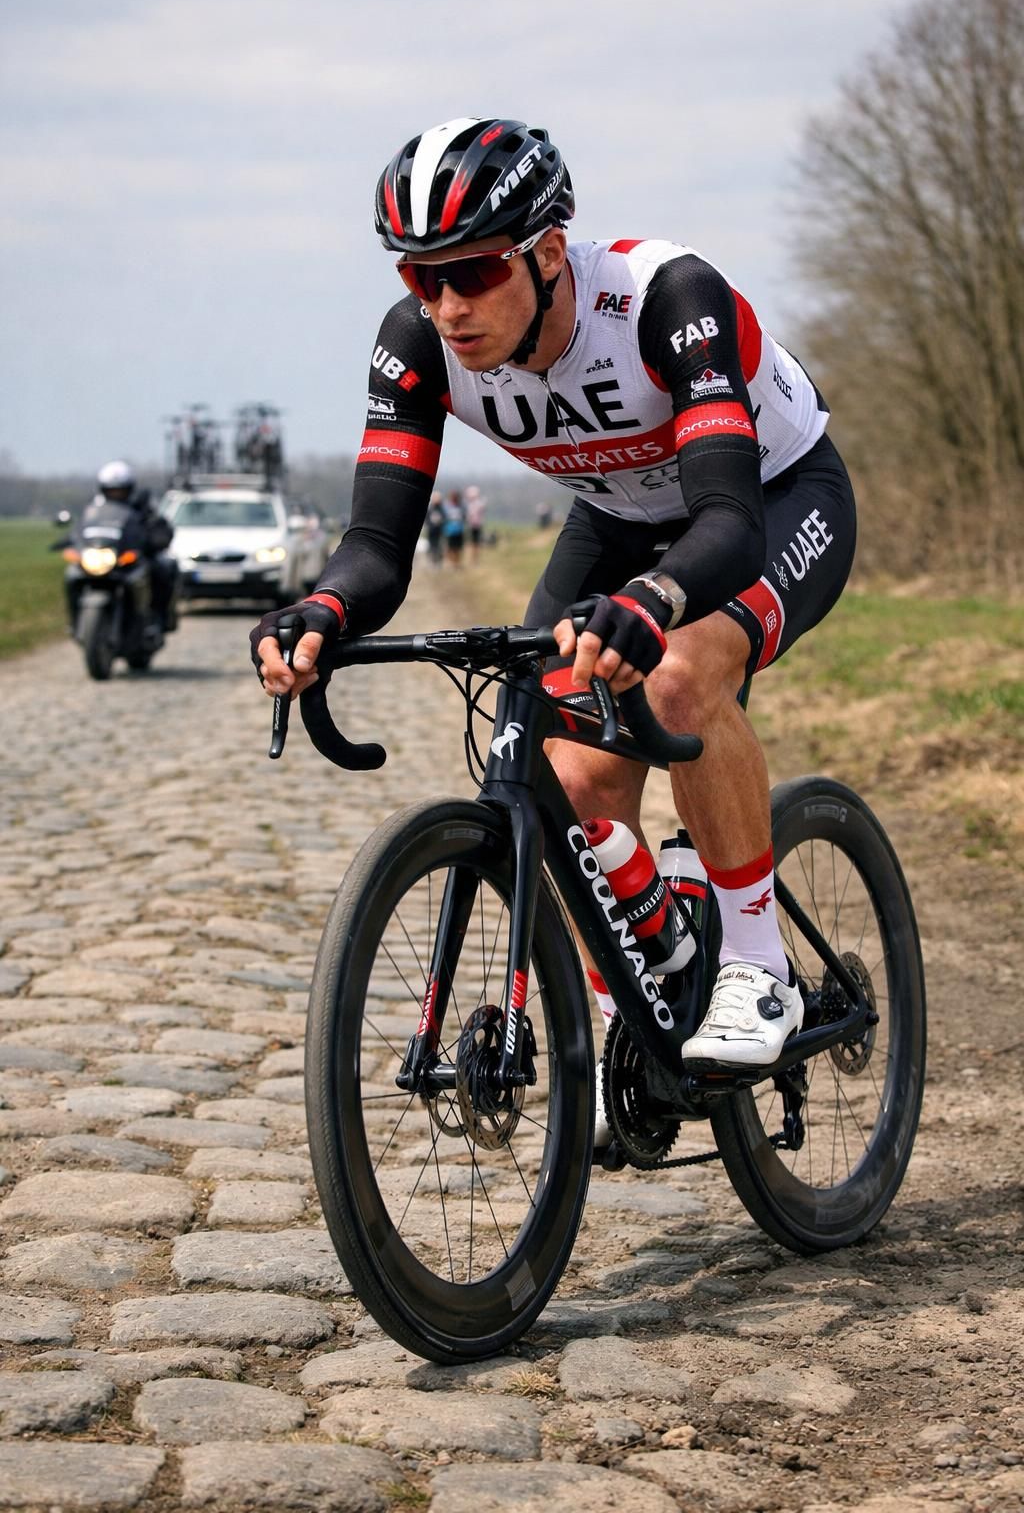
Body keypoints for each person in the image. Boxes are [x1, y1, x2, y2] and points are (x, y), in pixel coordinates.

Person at [251, 117, 856, 1074]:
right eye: (421, 275)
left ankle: (756, 964)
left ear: (544, 253)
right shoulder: (415, 343)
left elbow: (728, 523)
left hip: (769, 496)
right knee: (568, 769)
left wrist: (656, 601)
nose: (447, 304)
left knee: (681, 675)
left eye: (474, 271)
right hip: (615, 515)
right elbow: (376, 543)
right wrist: (322, 609)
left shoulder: (665, 298)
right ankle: (640, 1000)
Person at [93, 460, 179, 630]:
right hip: (107, 557)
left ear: (129, 488)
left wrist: (155, 539)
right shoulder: (97, 507)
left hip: (132, 557)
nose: (116, 494)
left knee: (161, 571)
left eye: (120, 490)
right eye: (111, 490)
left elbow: (159, 526)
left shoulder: (141, 505)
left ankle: (158, 619)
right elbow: (85, 527)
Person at [464, 484, 486, 560]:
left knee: (476, 542)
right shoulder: (469, 504)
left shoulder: (479, 504)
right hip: (471, 525)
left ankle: (475, 557)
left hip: (477, 525)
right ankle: (473, 557)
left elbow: (481, 511)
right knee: (472, 542)